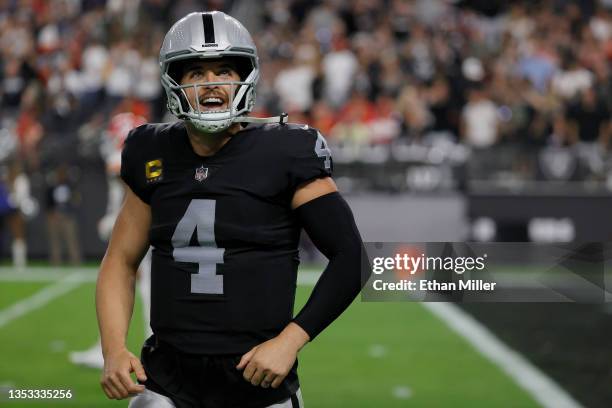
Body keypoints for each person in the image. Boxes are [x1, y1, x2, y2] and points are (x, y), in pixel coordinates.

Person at [96, 11, 365, 408]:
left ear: (245, 79)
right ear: (174, 83)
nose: (212, 84)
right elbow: (120, 261)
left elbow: (352, 258)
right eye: (196, 74)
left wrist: (290, 341)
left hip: (256, 383)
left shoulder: (286, 152)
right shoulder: (152, 151)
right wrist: (114, 349)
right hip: (167, 381)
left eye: (224, 70)